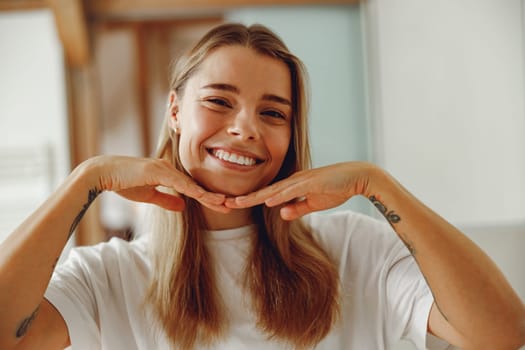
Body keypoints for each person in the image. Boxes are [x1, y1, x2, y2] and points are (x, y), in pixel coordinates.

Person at [0, 23, 524, 350]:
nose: (245, 128)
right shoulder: (105, 278)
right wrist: (85, 180)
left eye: (272, 113)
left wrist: (380, 186)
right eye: (219, 101)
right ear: (176, 111)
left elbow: (503, 335)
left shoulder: (354, 249)